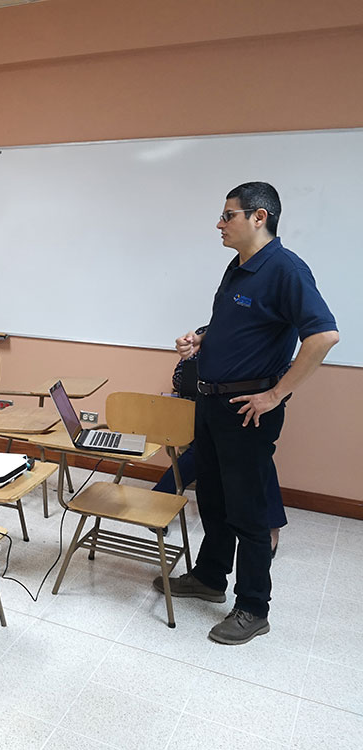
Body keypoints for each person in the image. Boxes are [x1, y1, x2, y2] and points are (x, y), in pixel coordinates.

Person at [156, 182, 338, 645]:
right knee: (213, 498)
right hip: (211, 402)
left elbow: (323, 336)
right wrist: (201, 338)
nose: (219, 224)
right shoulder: (238, 267)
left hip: (247, 410)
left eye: (227, 215)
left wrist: (277, 395)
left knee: (250, 510)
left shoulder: (286, 269)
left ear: (259, 217)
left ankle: (254, 607)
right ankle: (211, 577)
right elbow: (232, 325)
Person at [152, 351, 286, 556]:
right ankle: (160, 499)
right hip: (206, 406)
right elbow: (179, 378)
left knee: (259, 459)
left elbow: (283, 378)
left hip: (251, 410)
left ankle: (270, 527)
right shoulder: (205, 333)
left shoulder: (269, 336)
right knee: (201, 450)